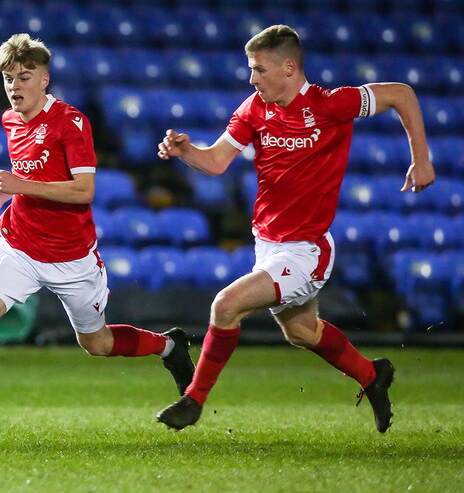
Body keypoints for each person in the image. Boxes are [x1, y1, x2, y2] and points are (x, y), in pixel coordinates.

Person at [0, 33, 195, 442]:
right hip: (20, 246)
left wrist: (19, 185)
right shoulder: (11, 120)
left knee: (96, 343)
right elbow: (25, 179)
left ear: (44, 80)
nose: (15, 87)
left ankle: (170, 347)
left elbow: (83, 192)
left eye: (25, 77)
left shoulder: (71, 122)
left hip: (72, 256)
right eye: (9, 78)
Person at [156, 25, 435, 433]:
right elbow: (215, 162)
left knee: (225, 306)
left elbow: (401, 94)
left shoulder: (331, 104)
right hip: (267, 243)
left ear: (289, 67)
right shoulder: (254, 108)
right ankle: (372, 375)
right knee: (302, 332)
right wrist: (185, 152)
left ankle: (194, 399)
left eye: (259, 69)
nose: (252, 79)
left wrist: (421, 159)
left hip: (306, 249)